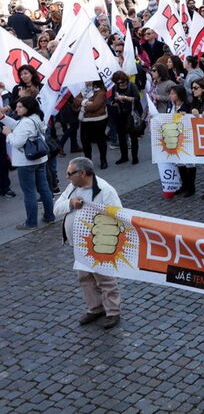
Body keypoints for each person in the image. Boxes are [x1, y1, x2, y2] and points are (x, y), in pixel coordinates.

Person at [53, 157, 123, 329]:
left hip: (99, 243)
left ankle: (113, 311)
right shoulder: (72, 188)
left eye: (70, 173)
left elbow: (119, 216)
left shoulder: (105, 191)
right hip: (79, 244)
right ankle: (95, 308)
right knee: (85, 277)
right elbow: (56, 209)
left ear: (82, 173)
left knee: (105, 278)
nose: (67, 177)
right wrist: (70, 203)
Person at [0, 96, 56, 229]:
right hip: (40, 159)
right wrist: (3, 118)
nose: (16, 109)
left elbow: (18, 141)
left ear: (28, 108)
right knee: (43, 188)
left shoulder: (26, 122)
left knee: (29, 192)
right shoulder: (36, 117)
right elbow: (18, 126)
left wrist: (8, 134)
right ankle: (49, 216)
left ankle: (31, 222)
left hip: (26, 162)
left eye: (20, 107)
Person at [109, 71, 142, 165]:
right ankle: (124, 156)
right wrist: (114, 102)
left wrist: (125, 98)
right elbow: (112, 99)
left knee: (133, 137)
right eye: (118, 82)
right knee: (121, 136)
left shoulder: (132, 86)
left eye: (122, 82)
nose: (120, 84)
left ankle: (135, 157)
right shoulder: (115, 87)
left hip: (131, 114)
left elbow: (137, 99)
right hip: (120, 114)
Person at [74, 80, 109, 170]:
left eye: (89, 79)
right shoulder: (83, 90)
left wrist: (82, 103)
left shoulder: (100, 91)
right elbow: (75, 101)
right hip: (85, 120)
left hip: (98, 120)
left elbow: (94, 106)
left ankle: (103, 160)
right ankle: (88, 162)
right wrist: (86, 102)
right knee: (85, 142)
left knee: (100, 141)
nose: (86, 81)